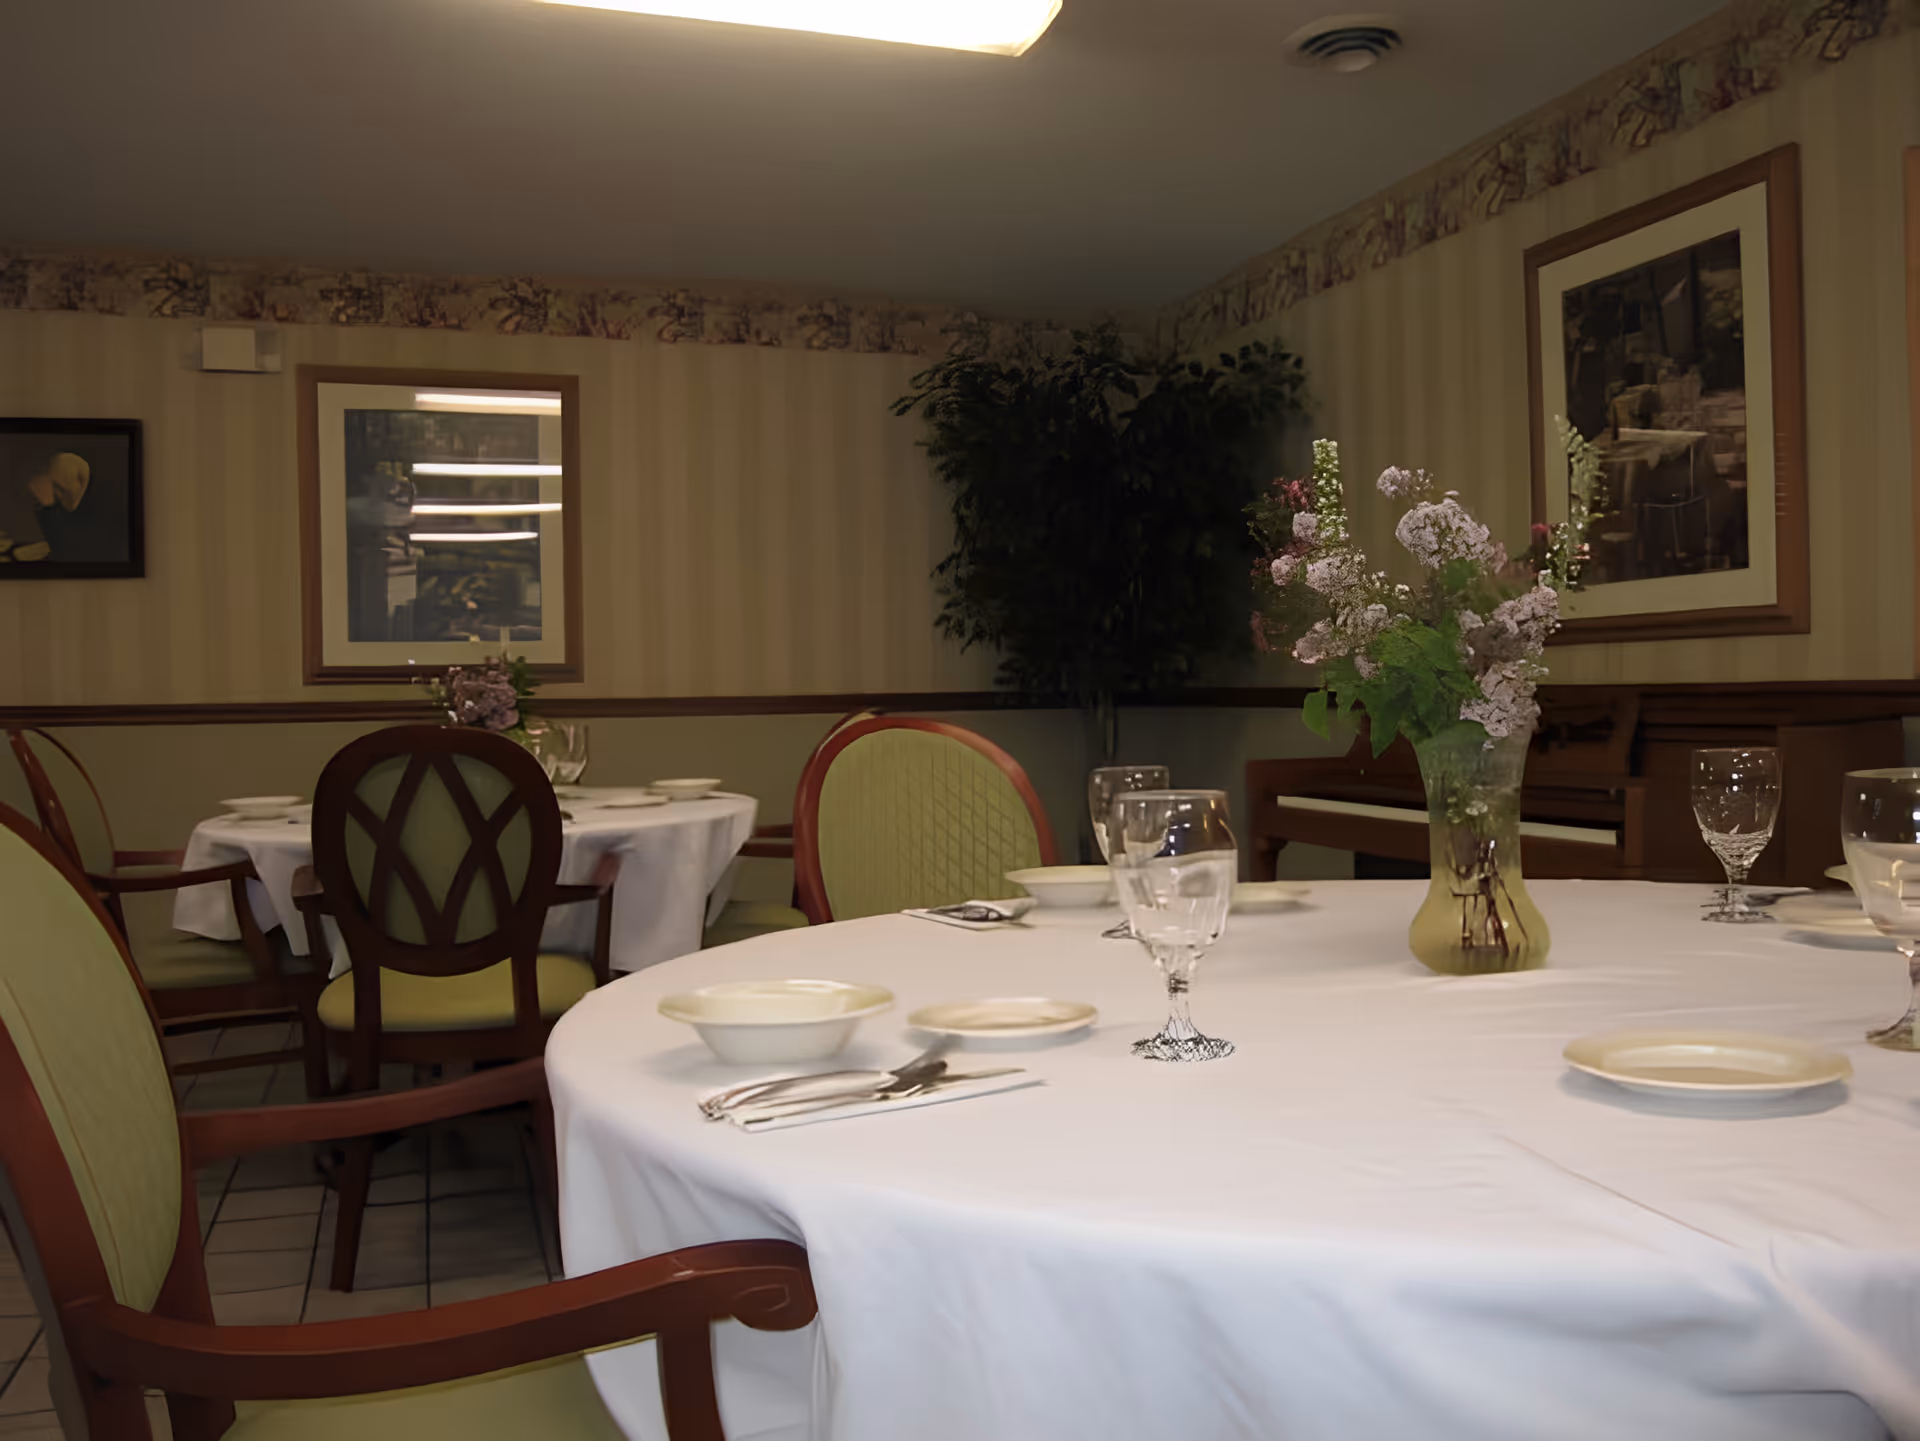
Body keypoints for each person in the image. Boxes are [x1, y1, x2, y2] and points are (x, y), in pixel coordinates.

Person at [22, 452, 127, 564]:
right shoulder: (55, 504)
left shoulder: (99, 513)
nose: (56, 492)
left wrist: (48, 507)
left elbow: (67, 551)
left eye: (59, 487)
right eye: (53, 485)